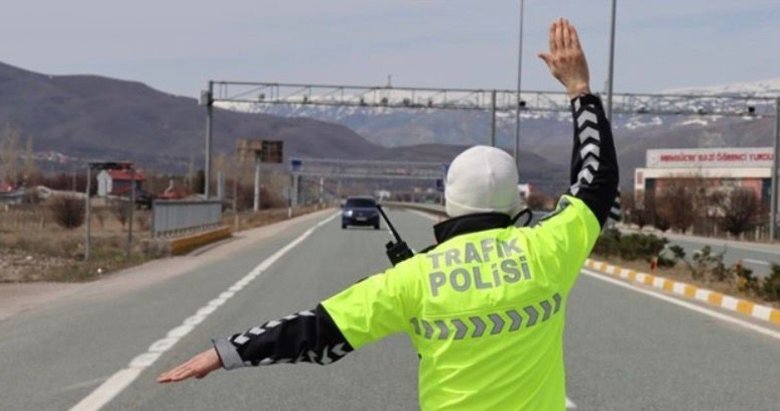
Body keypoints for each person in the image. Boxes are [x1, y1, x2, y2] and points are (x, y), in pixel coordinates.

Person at [158, 18, 618, 410]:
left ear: (448, 204)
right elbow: (595, 181)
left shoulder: (413, 279)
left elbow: (318, 331)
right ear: (516, 205)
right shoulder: (547, 250)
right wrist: (579, 90)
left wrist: (229, 351)